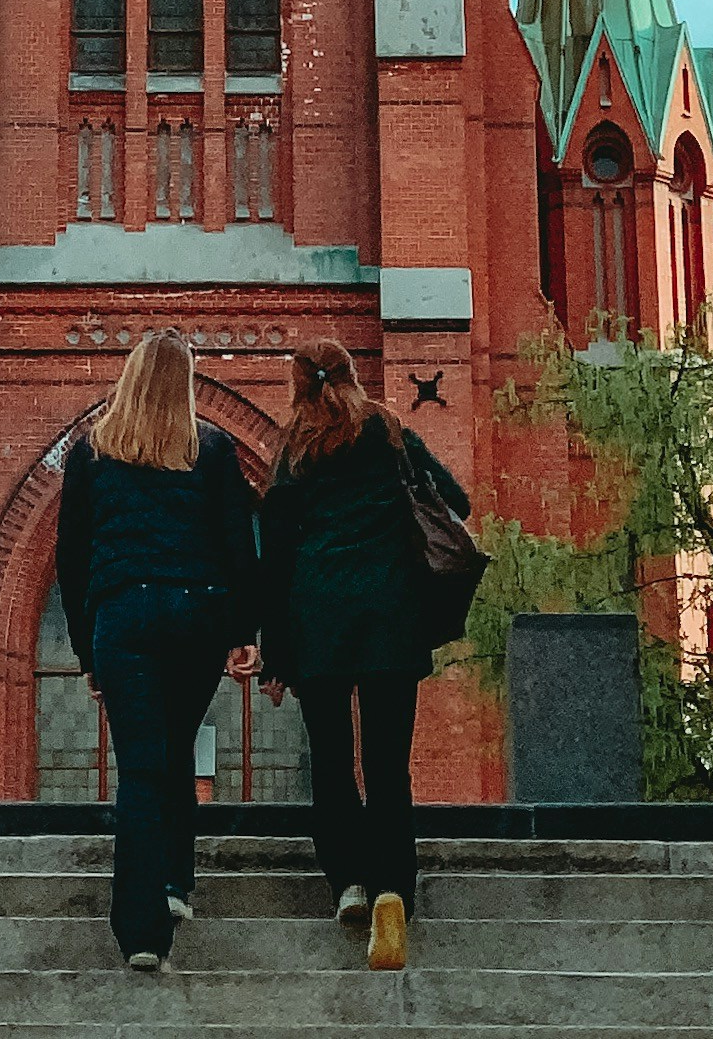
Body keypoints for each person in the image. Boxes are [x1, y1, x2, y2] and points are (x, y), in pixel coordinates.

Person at [258, 336, 471, 973]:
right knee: (387, 765)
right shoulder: (391, 432)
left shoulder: (293, 450)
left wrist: (274, 653)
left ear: (299, 385)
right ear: (352, 375)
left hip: (318, 620)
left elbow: (276, 556)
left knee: (330, 759)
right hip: (390, 620)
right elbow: (455, 502)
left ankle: (348, 880)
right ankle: (392, 890)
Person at [53, 330, 261, 972]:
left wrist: (88, 653)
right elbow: (238, 545)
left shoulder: (91, 453)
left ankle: (143, 932)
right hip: (197, 616)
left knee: (141, 769)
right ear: (186, 384)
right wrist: (243, 632)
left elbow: (71, 559)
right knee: (176, 748)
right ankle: (175, 883)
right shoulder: (214, 450)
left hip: (124, 615)